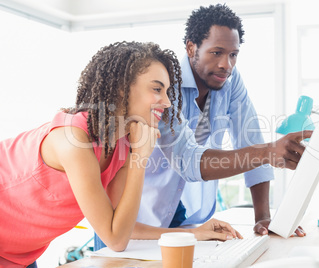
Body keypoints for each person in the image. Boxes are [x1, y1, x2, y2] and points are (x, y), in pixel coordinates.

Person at [0, 41, 241, 268]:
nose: (167, 102)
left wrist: (193, 234)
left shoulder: (121, 143)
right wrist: (140, 157)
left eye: (167, 91)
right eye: (157, 89)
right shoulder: (73, 140)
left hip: (21, 254)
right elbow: (115, 239)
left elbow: (123, 229)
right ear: (121, 89)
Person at [94, 4, 312, 250]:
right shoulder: (165, 85)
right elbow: (188, 160)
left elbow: (250, 140)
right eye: (217, 52)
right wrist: (267, 152)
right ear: (191, 48)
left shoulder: (230, 81)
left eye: (233, 54)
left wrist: (263, 216)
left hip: (177, 210)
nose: (226, 65)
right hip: (131, 213)